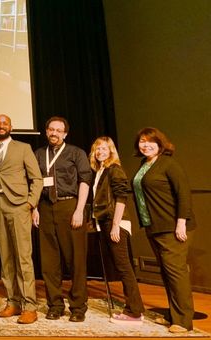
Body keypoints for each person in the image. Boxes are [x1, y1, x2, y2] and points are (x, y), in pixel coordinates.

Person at [132, 127, 196, 333]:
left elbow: (184, 193)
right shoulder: (145, 164)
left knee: (176, 272)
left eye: (150, 141)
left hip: (173, 226)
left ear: (160, 144)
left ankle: (184, 321)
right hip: (154, 226)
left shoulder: (168, 163)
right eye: (142, 141)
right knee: (167, 273)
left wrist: (181, 222)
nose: (145, 145)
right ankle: (173, 314)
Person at [0, 114, 42, 324]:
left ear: (11, 127)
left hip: (18, 206)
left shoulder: (23, 147)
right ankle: (13, 302)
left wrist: (30, 203)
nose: (1, 126)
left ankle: (30, 306)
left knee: (23, 257)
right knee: (5, 258)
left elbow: (37, 178)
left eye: (4, 123)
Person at [32, 116, 91, 322]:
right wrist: (35, 208)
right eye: (51, 129)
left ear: (65, 134)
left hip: (70, 206)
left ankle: (78, 306)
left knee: (75, 260)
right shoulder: (39, 154)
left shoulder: (76, 153)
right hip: (46, 208)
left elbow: (85, 181)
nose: (54, 133)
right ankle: (55, 305)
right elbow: (35, 183)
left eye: (58, 130)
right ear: (46, 131)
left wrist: (79, 210)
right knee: (49, 262)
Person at [89, 136, 145, 325]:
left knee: (124, 268)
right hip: (106, 223)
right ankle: (134, 309)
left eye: (104, 149)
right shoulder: (101, 170)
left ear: (111, 151)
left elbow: (122, 197)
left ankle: (134, 312)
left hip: (116, 224)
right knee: (121, 267)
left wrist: (115, 225)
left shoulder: (115, 169)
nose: (100, 152)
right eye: (97, 149)